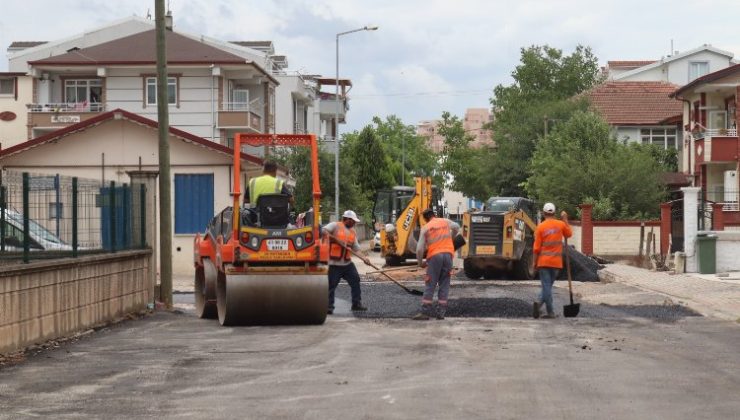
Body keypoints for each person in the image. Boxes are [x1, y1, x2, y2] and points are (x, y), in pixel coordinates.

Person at [413, 208, 460, 320]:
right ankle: (441, 313)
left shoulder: (426, 227)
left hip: (435, 257)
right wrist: (451, 238)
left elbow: (419, 249)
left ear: (425, 219)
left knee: (431, 283)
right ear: (434, 215)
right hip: (448, 256)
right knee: (444, 283)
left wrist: (420, 263)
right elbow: (457, 227)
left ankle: (425, 312)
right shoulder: (445, 221)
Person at [322, 210, 369, 314]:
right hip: (334, 264)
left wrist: (364, 258)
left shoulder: (353, 232)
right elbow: (323, 231)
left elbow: (356, 249)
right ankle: (329, 307)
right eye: (353, 221)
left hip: (347, 264)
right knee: (331, 285)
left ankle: (356, 304)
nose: (354, 223)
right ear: (347, 219)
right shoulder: (335, 225)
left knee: (355, 280)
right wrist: (336, 240)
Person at [533, 202, 572, 319]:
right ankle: (548, 311)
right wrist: (565, 219)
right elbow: (569, 234)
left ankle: (541, 305)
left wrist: (534, 263)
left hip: (543, 262)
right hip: (556, 263)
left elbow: (536, 248)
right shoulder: (560, 224)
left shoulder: (540, 227)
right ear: (554, 213)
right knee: (548, 286)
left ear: (543, 213)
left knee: (546, 286)